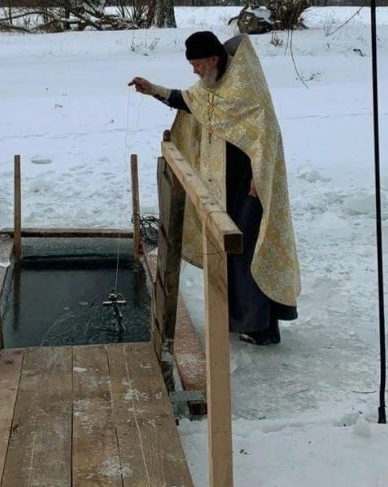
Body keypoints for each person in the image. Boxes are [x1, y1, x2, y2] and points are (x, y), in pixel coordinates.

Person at [129, 30, 301, 345]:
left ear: (213, 59)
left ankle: (262, 328)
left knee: (248, 251)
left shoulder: (244, 86)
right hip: (224, 182)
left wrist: (258, 175)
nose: (195, 71)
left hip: (250, 185)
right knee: (230, 252)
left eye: (198, 65)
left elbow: (264, 134)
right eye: (192, 66)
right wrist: (152, 89)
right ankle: (247, 321)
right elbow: (189, 102)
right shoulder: (213, 85)